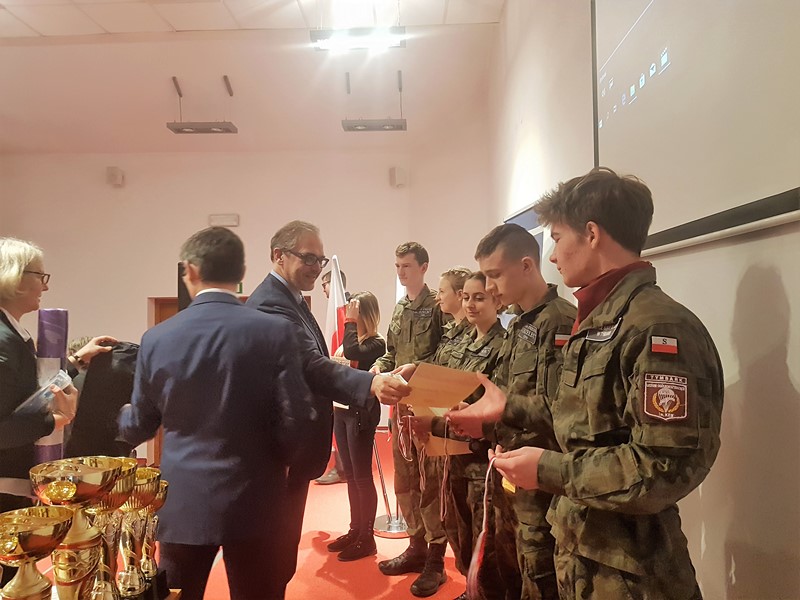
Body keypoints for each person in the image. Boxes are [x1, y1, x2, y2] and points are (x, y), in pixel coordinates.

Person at [487, 168, 724, 599]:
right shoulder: (600, 322)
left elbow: (662, 467)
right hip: (584, 551)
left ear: (592, 234)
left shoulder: (655, 328)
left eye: (557, 238)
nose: (553, 257)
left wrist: (548, 469)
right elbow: (579, 421)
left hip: (632, 575)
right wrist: (505, 410)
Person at [118, 226, 313, 600]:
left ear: (190, 270)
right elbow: (298, 421)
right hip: (256, 499)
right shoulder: (274, 332)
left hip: (184, 502)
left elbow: (138, 426)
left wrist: (116, 412)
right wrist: (274, 463)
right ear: (241, 274)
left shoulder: (157, 338)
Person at [246, 220, 410, 588]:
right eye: (308, 258)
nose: (316, 267)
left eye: (320, 260)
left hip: (290, 448)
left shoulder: (289, 299)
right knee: (271, 559)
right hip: (278, 452)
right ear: (278, 255)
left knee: (280, 554)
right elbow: (309, 365)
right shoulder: (272, 304)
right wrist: (371, 382)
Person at [446, 223, 576, 600]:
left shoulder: (560, 322)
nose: (489, 287)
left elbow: (563, 413)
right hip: (508, 477)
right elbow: (503, 393)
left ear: (526, 266)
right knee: (505, 570)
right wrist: (480, 418)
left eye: (494, 275)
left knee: (538, 579)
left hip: (541, 487)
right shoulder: (519, 323)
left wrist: (498, 411)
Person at [0, 237, 114, 586]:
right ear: (15, 277)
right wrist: (56, 420)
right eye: (40, 276)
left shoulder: (11, 332)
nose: (45, 286)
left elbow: (28, 390)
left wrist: (77, 360)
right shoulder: (2, 340)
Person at [411, 271, 506, 600]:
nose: (470, 304)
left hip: (480, 458)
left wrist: (451, 415)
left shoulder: (504, 346)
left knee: (484, 539)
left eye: (479, 297)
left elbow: (498, 406)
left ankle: (481, 591)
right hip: (451, 452)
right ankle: (470, 587)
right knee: (458, 531)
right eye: (466, 297)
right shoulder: (462, 340)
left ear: (497, 300)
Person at [370, 241, 447, 598]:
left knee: (431, 482)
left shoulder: (438, 307)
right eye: (397, 266)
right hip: (401, 407)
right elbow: (391, 352)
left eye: (407, 266)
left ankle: (436, 559)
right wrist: (379, 367)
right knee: (405, 478)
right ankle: (416, 545)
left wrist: (416, 370)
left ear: (424, 267)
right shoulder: (400, 307)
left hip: (427, 406)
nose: (401, 272)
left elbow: (447, 355)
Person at [326, 292, 386, 561]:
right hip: (342, 410)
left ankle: (367, 537)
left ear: (365, 314)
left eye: (355, 312)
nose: (350, 316)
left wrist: (349, 323)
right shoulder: (352, 340)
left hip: (361, 413)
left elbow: (352, 353)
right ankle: (355, 529)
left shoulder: (376, 343)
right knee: (350, 475)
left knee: (361, 477)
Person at [315, 268, 350, 486]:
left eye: (325, 285)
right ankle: (342, 466)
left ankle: (342, 468)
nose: (323, 290)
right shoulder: (335, 309)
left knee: (341, 421)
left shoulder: (346, 307)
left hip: (347, 373)